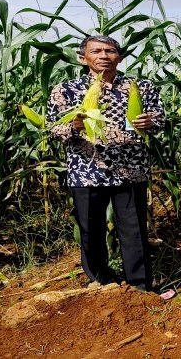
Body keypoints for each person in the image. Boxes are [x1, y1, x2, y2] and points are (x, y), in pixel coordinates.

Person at [47, 35, 164, 291]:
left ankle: (139, 285)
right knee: (91, 229)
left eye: (110, 51)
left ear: (119, 57)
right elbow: (53, 129)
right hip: (86, 169)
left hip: (131, 169)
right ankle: (100, 281)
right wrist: (74, 126)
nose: (104, 56)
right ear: (82, 58)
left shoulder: (141, 87)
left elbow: (160, 117)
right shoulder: (66, 90)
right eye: (96, 51)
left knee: (134, 230)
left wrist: (150, 122)